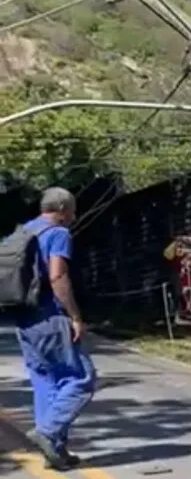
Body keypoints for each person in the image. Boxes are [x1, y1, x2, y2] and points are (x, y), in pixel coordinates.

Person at [14, 187, 96, 470]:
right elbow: (57, 275)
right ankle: (47, 433)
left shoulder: (24, 231)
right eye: (72, 209)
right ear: (62, 208)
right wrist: (74, 315)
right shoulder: (57, 233)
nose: (74, 215)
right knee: (81, 378)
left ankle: (55, 452)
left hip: (24, 318)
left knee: (45, 382)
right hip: (50, 316)